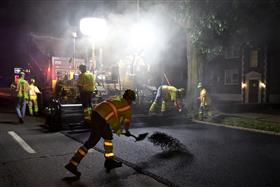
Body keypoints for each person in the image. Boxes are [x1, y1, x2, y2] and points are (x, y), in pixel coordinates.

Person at [65, 89, 136, 177]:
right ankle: (72, 164)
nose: (131, 103)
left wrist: (116, 128)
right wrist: (127, 131)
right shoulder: (127, 107)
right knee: (91, 142)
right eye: (131, 100)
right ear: (129, 99)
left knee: (108, 137)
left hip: (96, 113)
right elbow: (126, 122)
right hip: (101, 119)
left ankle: (109, 160)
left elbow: (112, 113)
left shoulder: (116, 98)